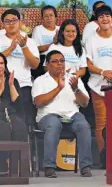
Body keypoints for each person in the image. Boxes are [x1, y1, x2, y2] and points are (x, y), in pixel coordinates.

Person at [32, 50, 92, 178]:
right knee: (53, 125)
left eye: (62, 61)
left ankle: (85, 166)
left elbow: (85, 103)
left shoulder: (73, 78)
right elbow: (38, 102)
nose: (60, 64)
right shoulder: (40, 81)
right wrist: (58, 88)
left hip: (72, 115)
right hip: (48, 115)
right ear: (47, 65)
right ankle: (49, 167)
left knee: (83, 126)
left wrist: (76, 89)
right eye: (55, 61)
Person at [0, 9, 40, 126]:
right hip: (2, 85)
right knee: (5, 120)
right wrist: (11, 48)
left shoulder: (30, 41)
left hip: (24, 85)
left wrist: (24, 46)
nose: (11, 24)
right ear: (3, 24)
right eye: (7, 21)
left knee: (25, 121)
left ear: (20, 21)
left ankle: (27, 144)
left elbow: (35, 65)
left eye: (14, 20)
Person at [85, 5, 112, 153]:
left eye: (107, 15)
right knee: (101, 122)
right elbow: (88, 64)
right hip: (97, 87)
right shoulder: (91, 40)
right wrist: (103, 72)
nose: (104, 19)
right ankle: (104, 157)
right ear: (97, 20)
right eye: (101, 16)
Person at [31, 5, 59, 78]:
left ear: (56, 17)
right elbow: (36, 49)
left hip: (59, 59)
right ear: (42, 18)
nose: (49, 18)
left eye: (51, 15)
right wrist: (53, 43)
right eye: (46, 16)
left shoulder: (60, 30)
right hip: (43, 59)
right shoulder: (38, 29)